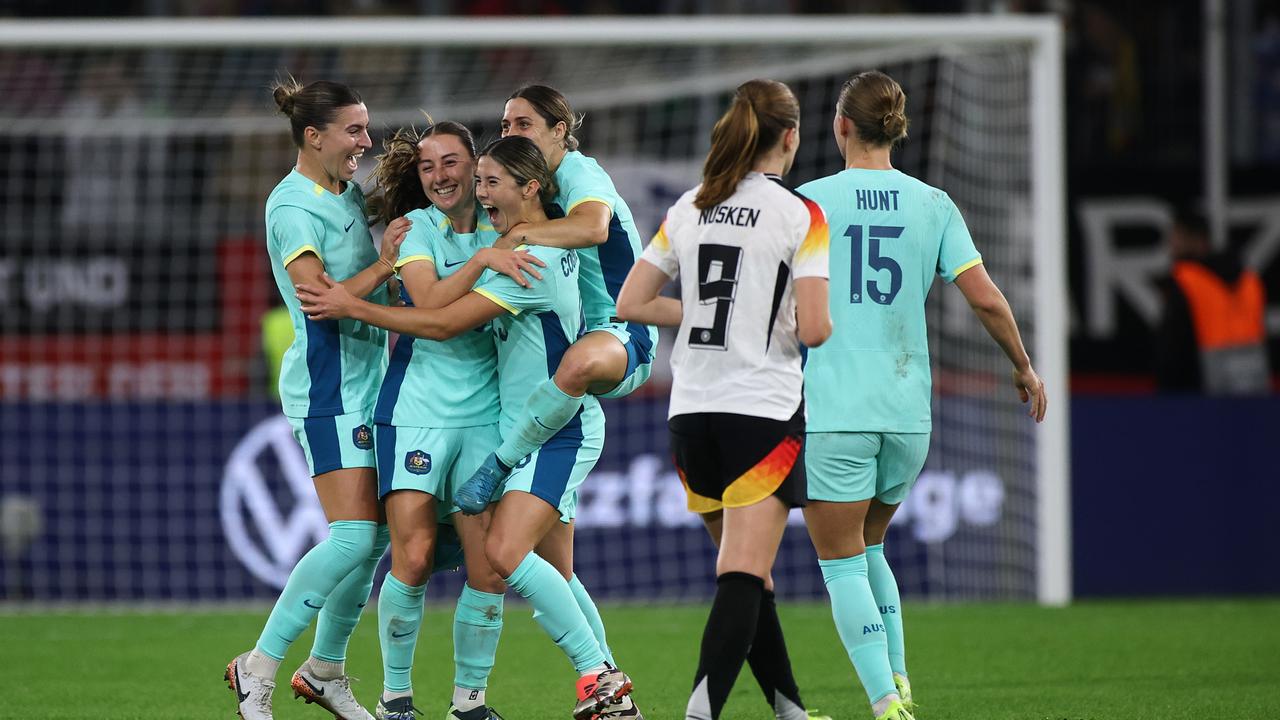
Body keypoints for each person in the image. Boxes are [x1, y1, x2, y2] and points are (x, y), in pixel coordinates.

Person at [296, 136, 643, 720]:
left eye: (492, 183)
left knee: (504, 553)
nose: (482, 195)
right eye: (477, 182)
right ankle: (602, 690)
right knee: (551, 570)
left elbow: (439, 321)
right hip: (520, 428)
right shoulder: (518, 239)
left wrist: (355, 305)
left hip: (553, 429)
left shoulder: (524, 261)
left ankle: (598, 676)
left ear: (530, 188)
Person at [796, 70, 1048, 720]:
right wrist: (1024, 366)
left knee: (843, 564)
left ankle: (887, 707)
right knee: (871, 546)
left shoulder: (810, 202)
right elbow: (986, 298)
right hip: (909, 413)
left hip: (836, 409)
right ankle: (901, 681)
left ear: (840, 125)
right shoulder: (934, 204)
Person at [615, 79, 832, 720]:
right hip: (761, 413)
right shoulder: (799, 214)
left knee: (750, 575)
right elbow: (816, 329)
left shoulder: (690, 206)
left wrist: (712, 312)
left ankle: (791, 711)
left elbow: (631, 302)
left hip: (690, 416)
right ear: (790, 137)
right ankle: (698, 713)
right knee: (742, 573)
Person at [225, 77, 410, 720]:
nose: (366, 141)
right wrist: (388, 265)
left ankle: (327, 668)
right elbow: (318, 300)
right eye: (354, 130)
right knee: (356, 535)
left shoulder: (347, 192)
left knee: (374, 535)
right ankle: (261, 664)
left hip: (372, 382)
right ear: (314, 136)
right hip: (329, 388)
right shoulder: (291, 207)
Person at [362, 123, 545, 720]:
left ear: (477, 168)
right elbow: (431, 302)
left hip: (485, 418)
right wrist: (487, 260)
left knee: (489, 565)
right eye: (426, 166)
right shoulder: (417, 230)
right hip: (414, 413)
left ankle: (469, 704)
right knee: (410, 559)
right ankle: (395, 700)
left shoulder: (513, 231)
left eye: (451, 163)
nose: (439, 176)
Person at [455, 84, 658, 518]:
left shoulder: (578, 173)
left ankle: (499, 464)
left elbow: (594, 227)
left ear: (558, 131)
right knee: (551, 567)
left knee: (579, 364)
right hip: (574, 334)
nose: (512, 132)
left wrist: (519, 236)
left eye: (524, 124)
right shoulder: (530, 188)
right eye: (506, 125)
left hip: (625, 329)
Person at [1155, 208, 1270, 394]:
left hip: (1202, 401)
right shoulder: (1250, 280)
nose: (1171, 244)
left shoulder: (1185, 281)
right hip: (1253, 390)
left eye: (1176, 236)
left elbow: (1173, 351)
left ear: (1197, 239)